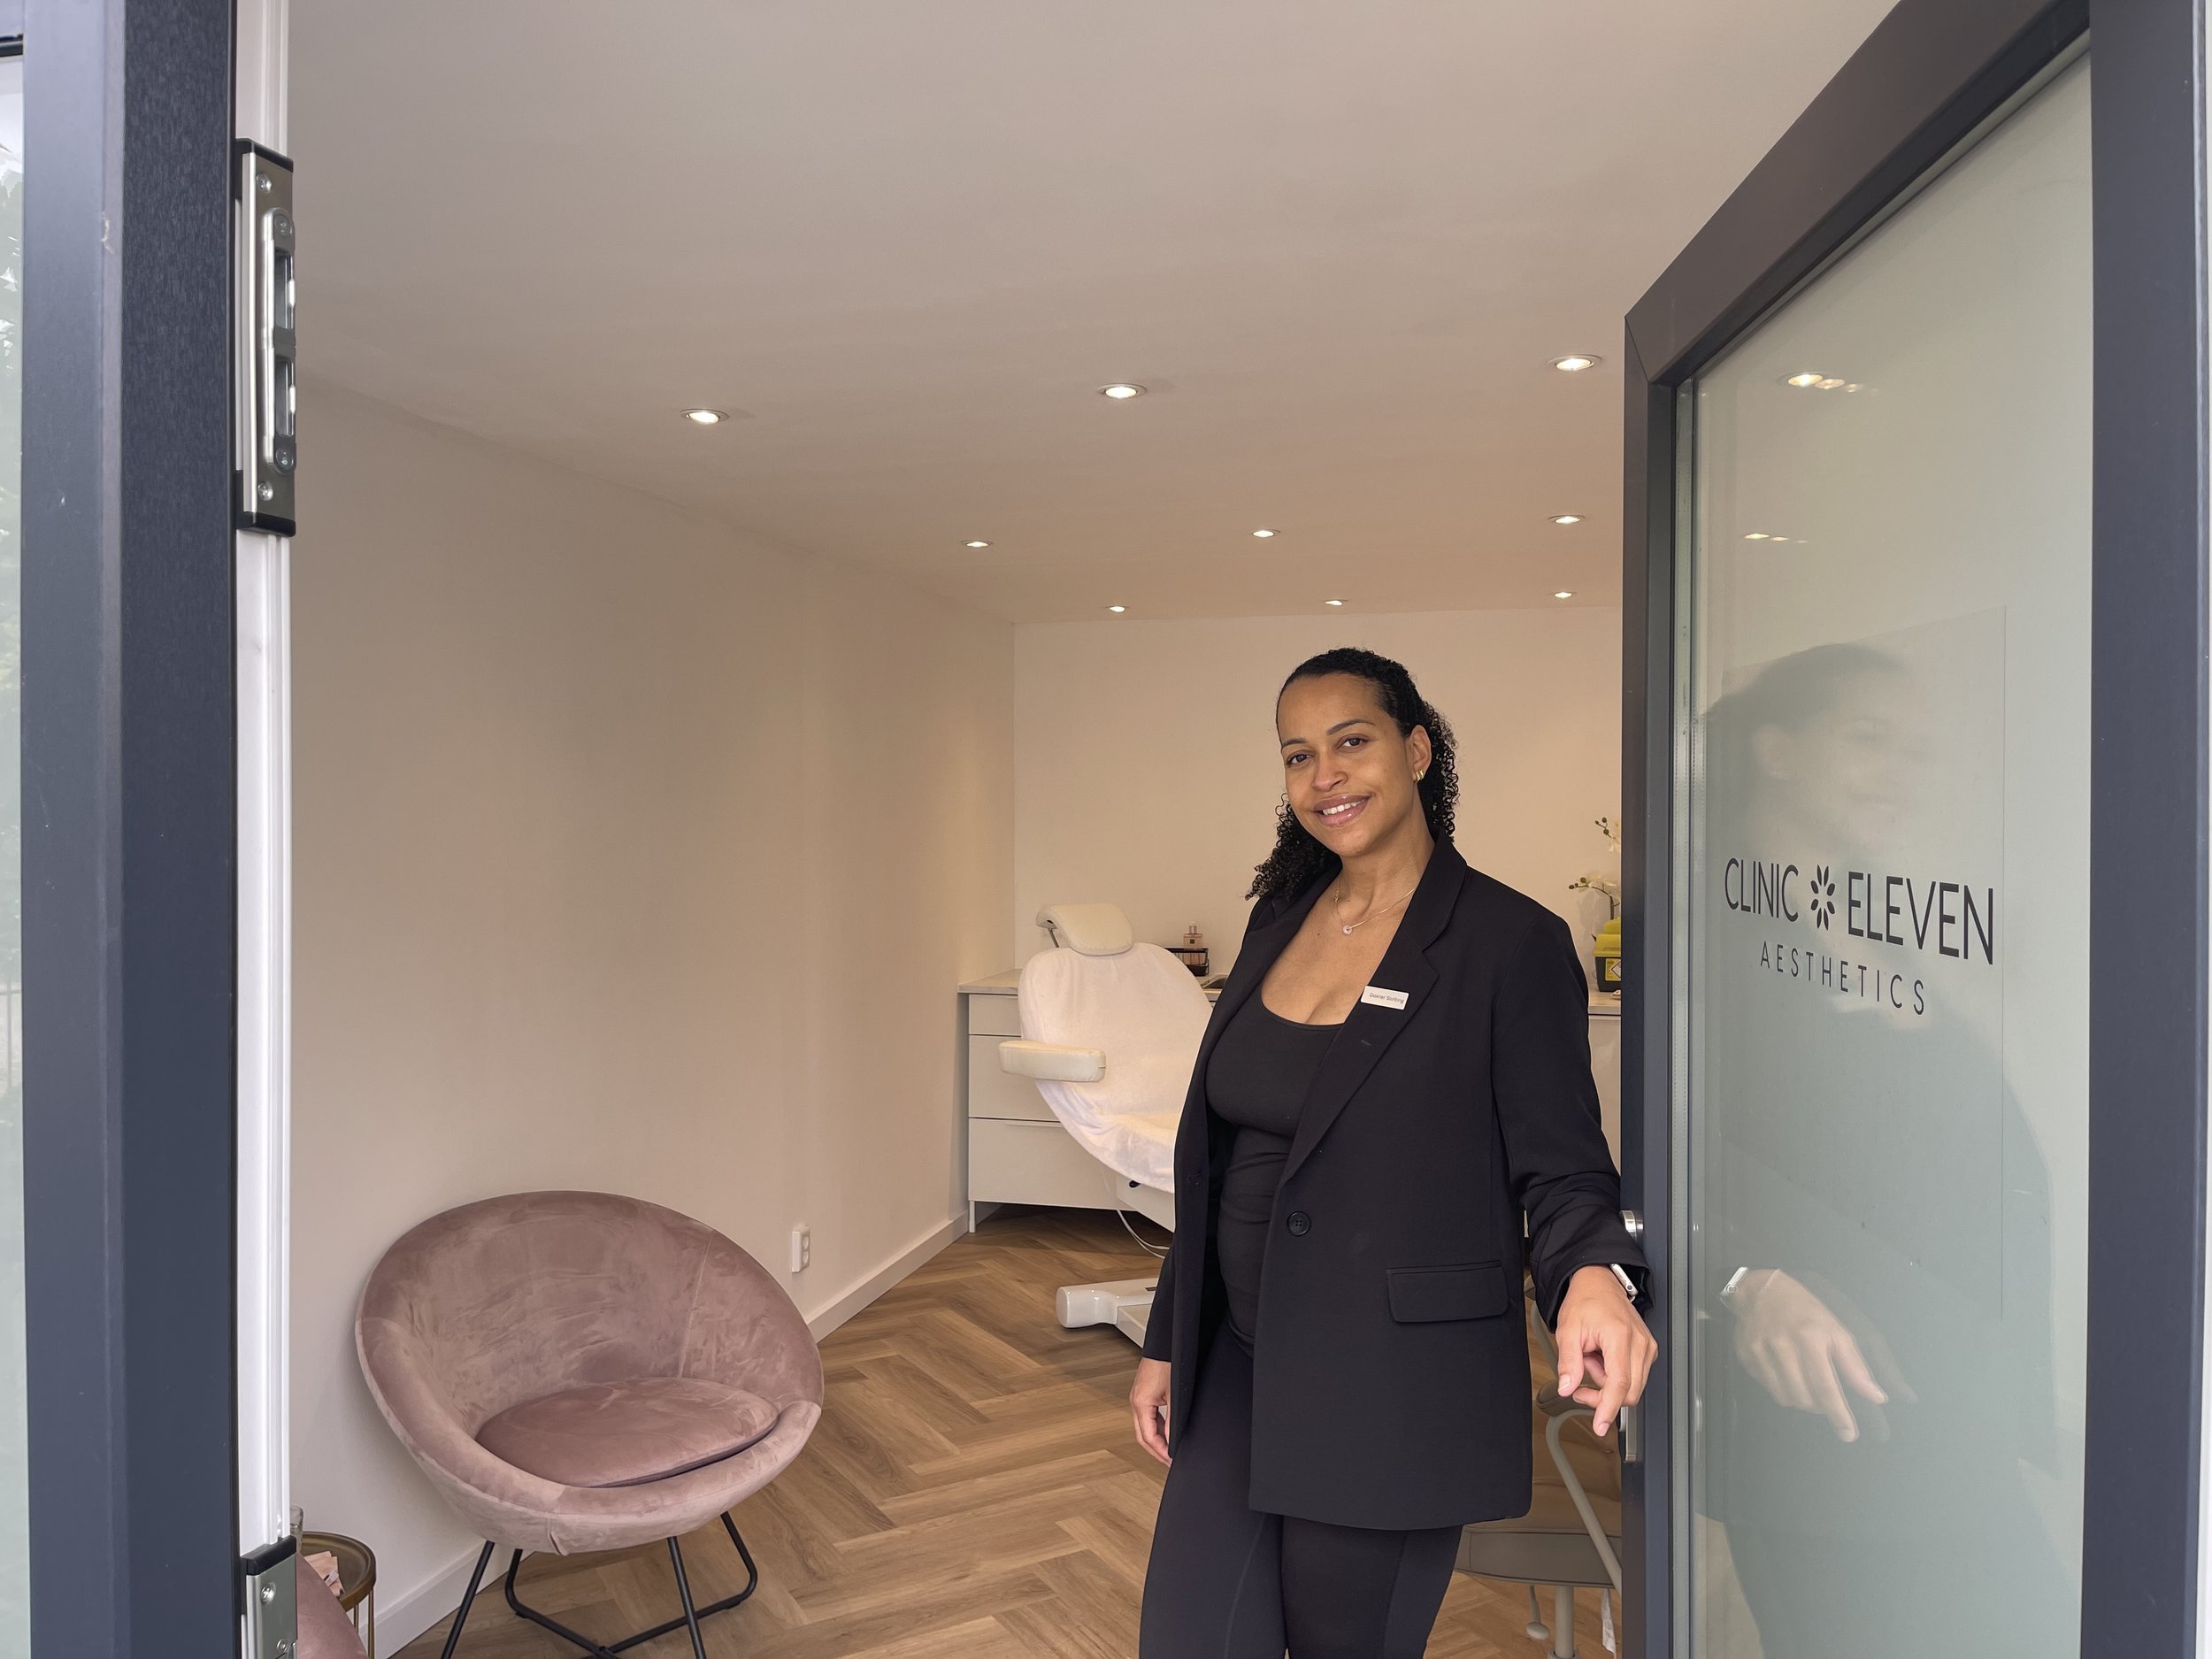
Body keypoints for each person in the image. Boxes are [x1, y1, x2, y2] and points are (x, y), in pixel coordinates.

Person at [1131, 647, 1655, 1658]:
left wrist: (1590, 1271)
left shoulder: (1509, 943)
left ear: (1416, 751)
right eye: (1297, 755)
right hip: (1238, 1359)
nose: (1323, 775)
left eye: (1351, 742)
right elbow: (1221, 1161)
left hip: (1389, 1384)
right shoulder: (1278, 919)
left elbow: (1562, 1163)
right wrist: (1166, 1338)